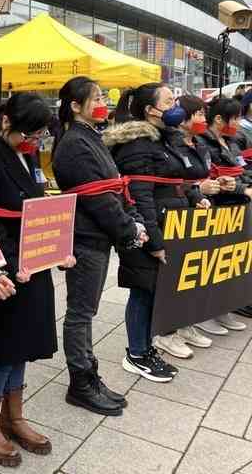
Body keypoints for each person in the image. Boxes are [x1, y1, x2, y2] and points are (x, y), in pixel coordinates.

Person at [0, 93, 61, 468]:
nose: (34, 141)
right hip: (6, 271)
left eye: (39, 135)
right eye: (29, 134)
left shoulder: (29, 155)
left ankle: (13, 416)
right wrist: (11, 264)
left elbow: (37, 206)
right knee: (4, 351)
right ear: (7, 124)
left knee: (25, 346)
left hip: (34, 265)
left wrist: (54, 246)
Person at [52, 77, 148, 416]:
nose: (103, 101)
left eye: (103, 95)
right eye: (95, 97)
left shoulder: (92, 137)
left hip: (98, 237)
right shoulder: (73, 144)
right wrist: (129, 230)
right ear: (75, 106)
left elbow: (115, 186)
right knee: (80, 313)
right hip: (85, 239)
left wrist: (133, 219)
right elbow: (99, 199)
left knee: (86, 311)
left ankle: (89, 374)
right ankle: (81, 381)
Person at [105, 83, 199, 383]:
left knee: (155, 290)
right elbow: (138, 196)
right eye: (170, 101)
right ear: (150, 109)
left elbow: (180, 177)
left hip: (170, 224)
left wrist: (197, 197)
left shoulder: (165, 139)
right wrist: (155, 242)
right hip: (149, 230)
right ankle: (137, 353)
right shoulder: (137, 144)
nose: (177, 107)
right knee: (143, 291)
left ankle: (147, 347)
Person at [151, 95, 218, 357]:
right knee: (173, 276)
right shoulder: (168, 143)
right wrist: (197, 189)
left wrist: (206, 190)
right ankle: (166, 332)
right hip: (175, 216)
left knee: (193, 273)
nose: (203, 120)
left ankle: (184, 323)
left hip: (197, 211)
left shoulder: (197, 143)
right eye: (199, 114)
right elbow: (171, 182)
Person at [197, 96, 252, 324]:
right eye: (235, 118)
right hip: (217, 208)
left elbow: (241, 169)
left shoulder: (232, 140)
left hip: (237, 208)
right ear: (219, 118)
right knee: (211, 262)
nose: (238, 123)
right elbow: (211, 178)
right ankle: (207, 312)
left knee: (230, 263)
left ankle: (224, 309)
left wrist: (246, 186)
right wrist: (242, 189)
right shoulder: (202, 143)